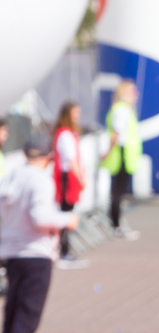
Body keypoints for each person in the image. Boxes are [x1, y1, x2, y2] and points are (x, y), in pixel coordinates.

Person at [0, 134, 80, 333]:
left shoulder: (12, 175)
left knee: (13, 315)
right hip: (35, 254)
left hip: (13, 252)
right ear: (48, 158)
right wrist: (67, 220)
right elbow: (40, 217)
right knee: (25, 317)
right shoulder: (40, 180)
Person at [101, 80, 142, 241]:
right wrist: (107, 152)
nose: (136, 95)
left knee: (119, 192)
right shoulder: (121, 110)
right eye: (133, 92)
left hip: (125, 155)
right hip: (122, 156)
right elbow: (116, 135)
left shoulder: (123, 110)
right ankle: (116, 224)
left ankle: (117, 223)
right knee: (118, 192)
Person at [51, 102, 88, 270]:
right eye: (74, 113)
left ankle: (65, 250)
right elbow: (71, 159)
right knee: (65, 214)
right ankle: (63, 251)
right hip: (67, 178)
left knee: (67, 213)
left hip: (69, 177)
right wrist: (81, 178)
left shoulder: (67, 133)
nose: (77, 117)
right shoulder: (65, 135)